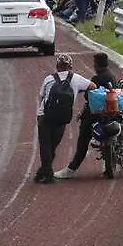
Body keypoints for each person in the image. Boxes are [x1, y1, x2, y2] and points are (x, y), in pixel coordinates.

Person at [55, 53, 117, 180]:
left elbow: (88, 97)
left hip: (96, 116)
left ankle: (71, 169)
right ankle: (108, 164)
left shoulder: (97, 78)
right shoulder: (112, 77)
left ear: (97, 65)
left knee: (83, 140)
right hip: (111, 114)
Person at [35, 54, 95, 184]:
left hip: (45, 116)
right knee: (52, 146)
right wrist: (78, 91)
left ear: (57, 67)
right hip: (62, 118)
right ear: (70, 67)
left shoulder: (48, 79)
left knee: (45, 145)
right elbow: (93, 86)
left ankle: (46, 173)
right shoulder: (76, 79)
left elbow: (42, 96)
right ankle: (44, 171)